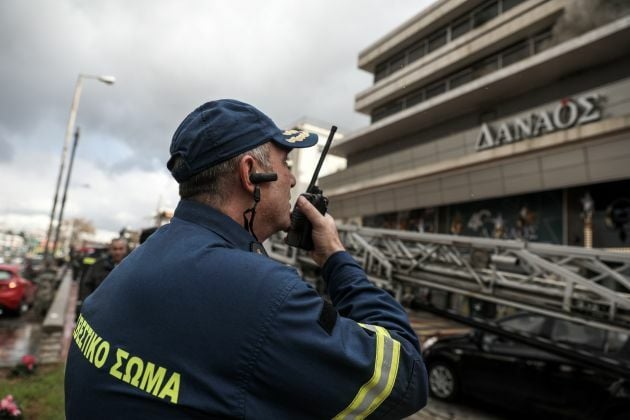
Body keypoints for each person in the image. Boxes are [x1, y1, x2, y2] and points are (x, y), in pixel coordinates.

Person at [64, 99, 428, 419]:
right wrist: (335, 256)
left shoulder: (144, 256)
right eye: (286, 163)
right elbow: (406, 379)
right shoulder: (267, 294)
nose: (293, 178)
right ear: (251, 172)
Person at [75, 238, 128, 316]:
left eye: (121, 249)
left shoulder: (131, 268)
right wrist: (86, 304)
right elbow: (86, 286)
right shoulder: (98, 265)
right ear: (110, 250)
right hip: (97, 310)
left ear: (126, 249)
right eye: (115, 249)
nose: (117, 252)